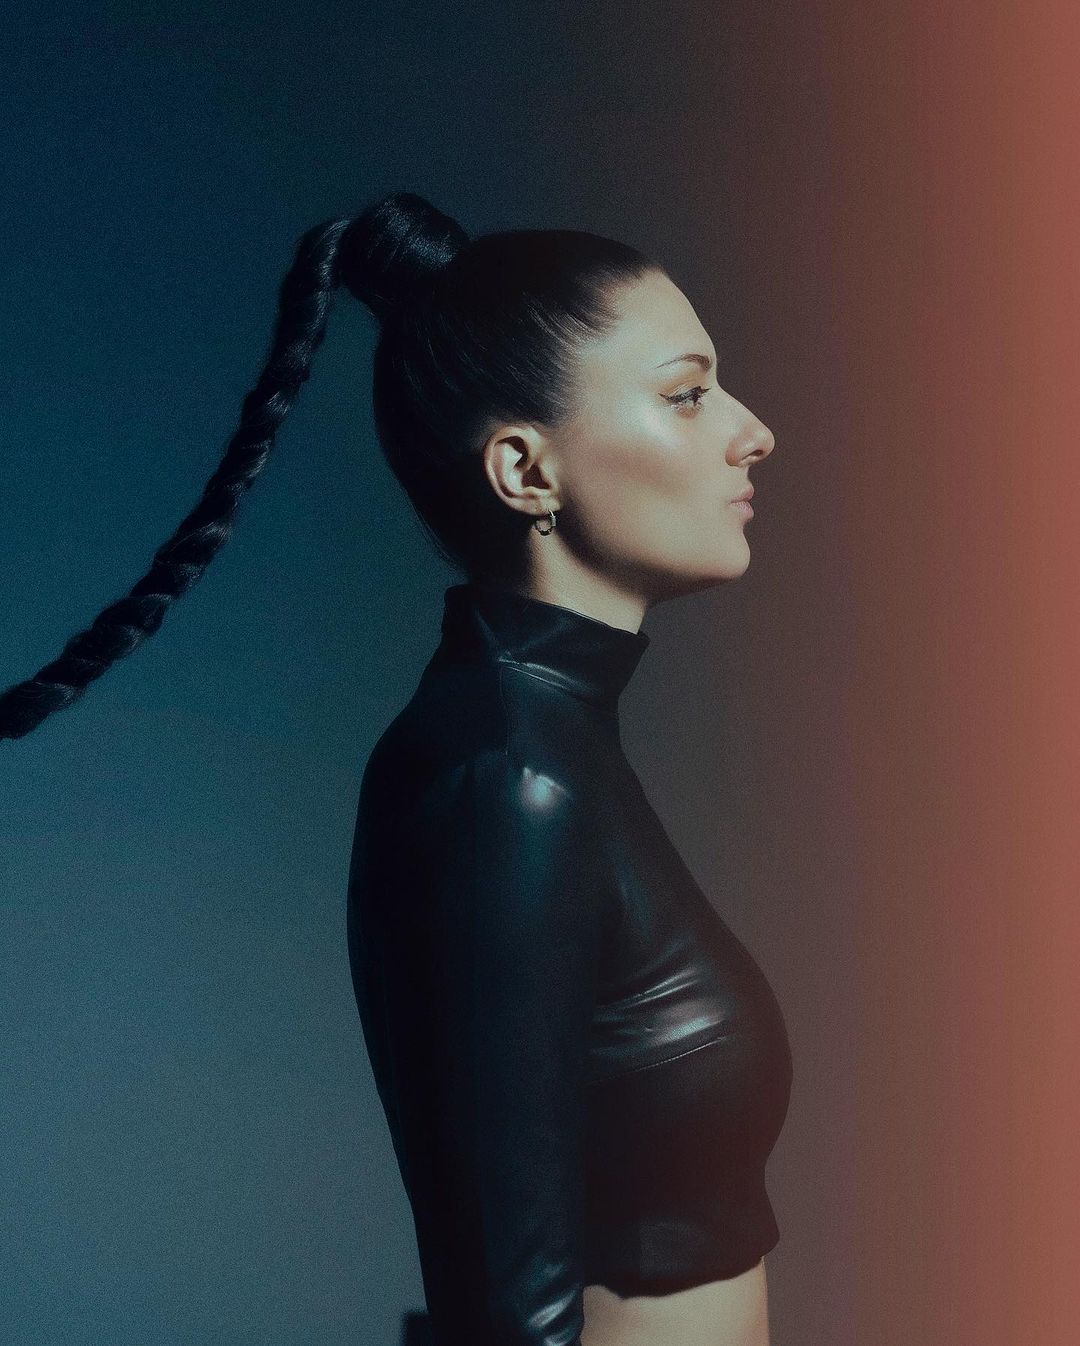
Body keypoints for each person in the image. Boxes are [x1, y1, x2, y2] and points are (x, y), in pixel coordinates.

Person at [0, 192, 791, 1346]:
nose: (752, 429)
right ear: (525, 469)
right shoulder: (505, 776)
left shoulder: (549, 746)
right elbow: (507, 1314)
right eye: (687, 393)